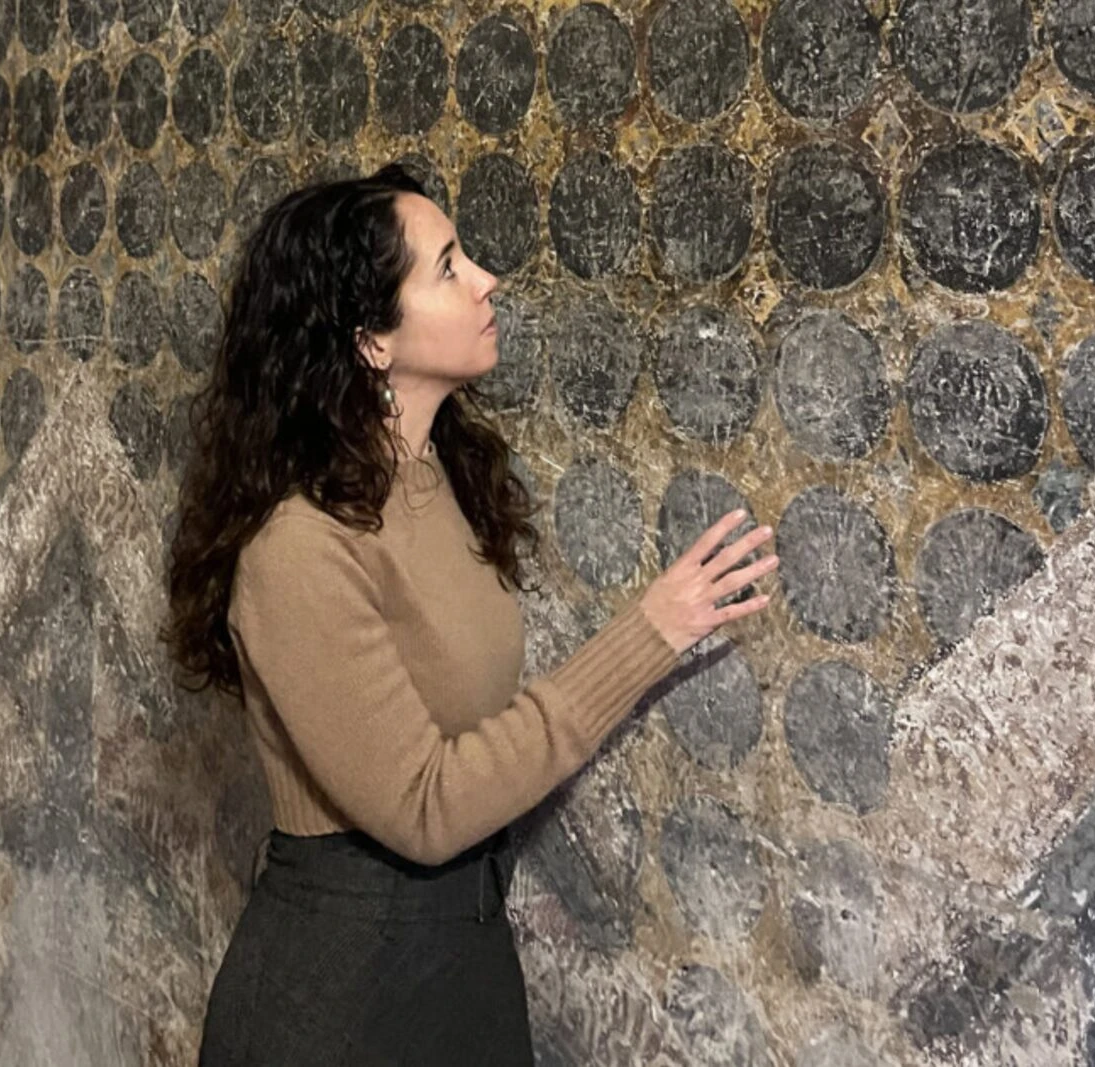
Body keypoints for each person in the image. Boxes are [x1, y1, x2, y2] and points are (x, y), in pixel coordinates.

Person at [163, 162, 779, 1065]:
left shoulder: (438, 476)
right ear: (372, 338)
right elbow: (426, 804)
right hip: (339, 988)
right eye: (448, 267)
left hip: (460, 959)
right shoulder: (296, 547)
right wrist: (648, 634)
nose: (487, 279)